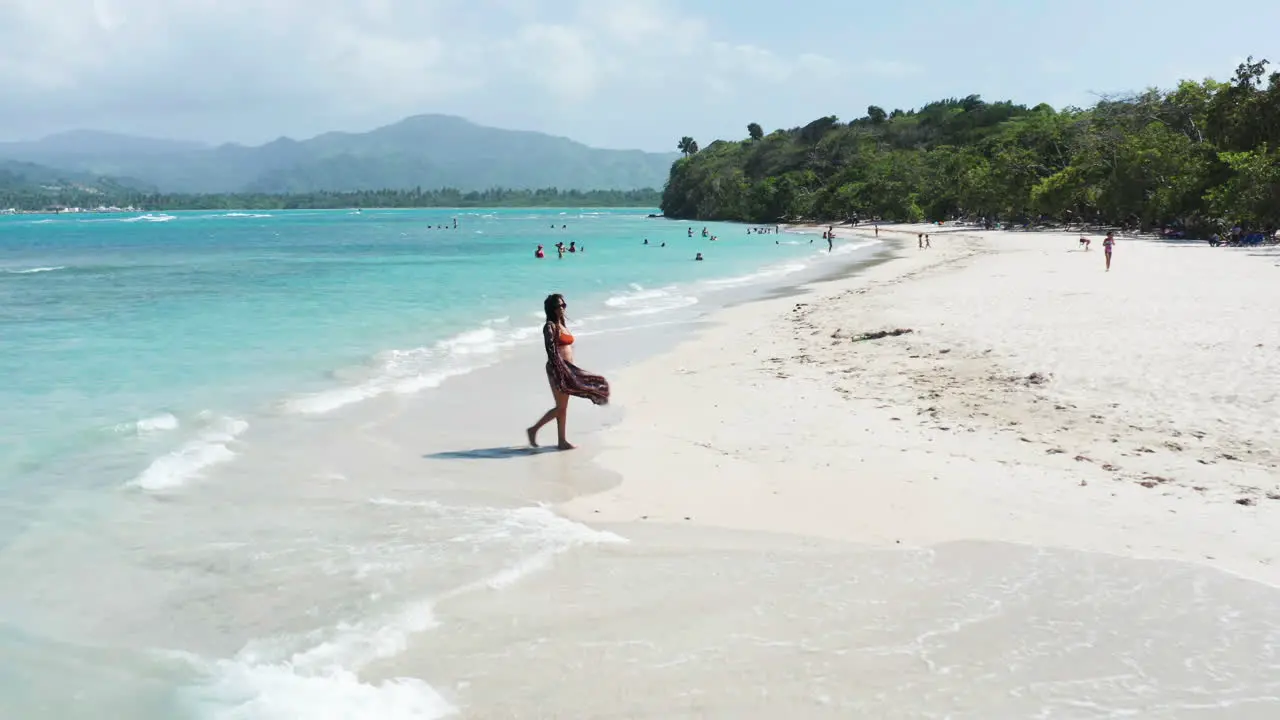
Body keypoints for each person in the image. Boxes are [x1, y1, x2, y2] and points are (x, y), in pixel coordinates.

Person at [527, 294, 610, 449]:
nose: (562, 308)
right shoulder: (550, 326)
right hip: (557, 369)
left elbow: (567, 347)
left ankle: (561, 441)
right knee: (560, 407)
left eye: (563, 305)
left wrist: (572, 368)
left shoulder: (562, 324)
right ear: (551, 308)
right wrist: (560, 369)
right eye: (558, 306)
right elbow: (550, 349)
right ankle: (534, 430)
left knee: (563, 407)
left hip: (568, 369)